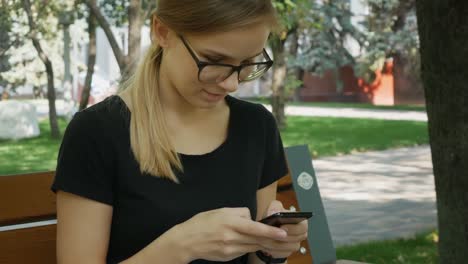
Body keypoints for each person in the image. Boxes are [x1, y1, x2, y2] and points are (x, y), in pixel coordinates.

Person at [51, 1, 308, 263]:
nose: (232, 84)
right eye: (215, 60)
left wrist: (273, 248)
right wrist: (182, 246)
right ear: (162, 32)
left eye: (248, 63)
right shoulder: (97, 133)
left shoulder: (256, 126)